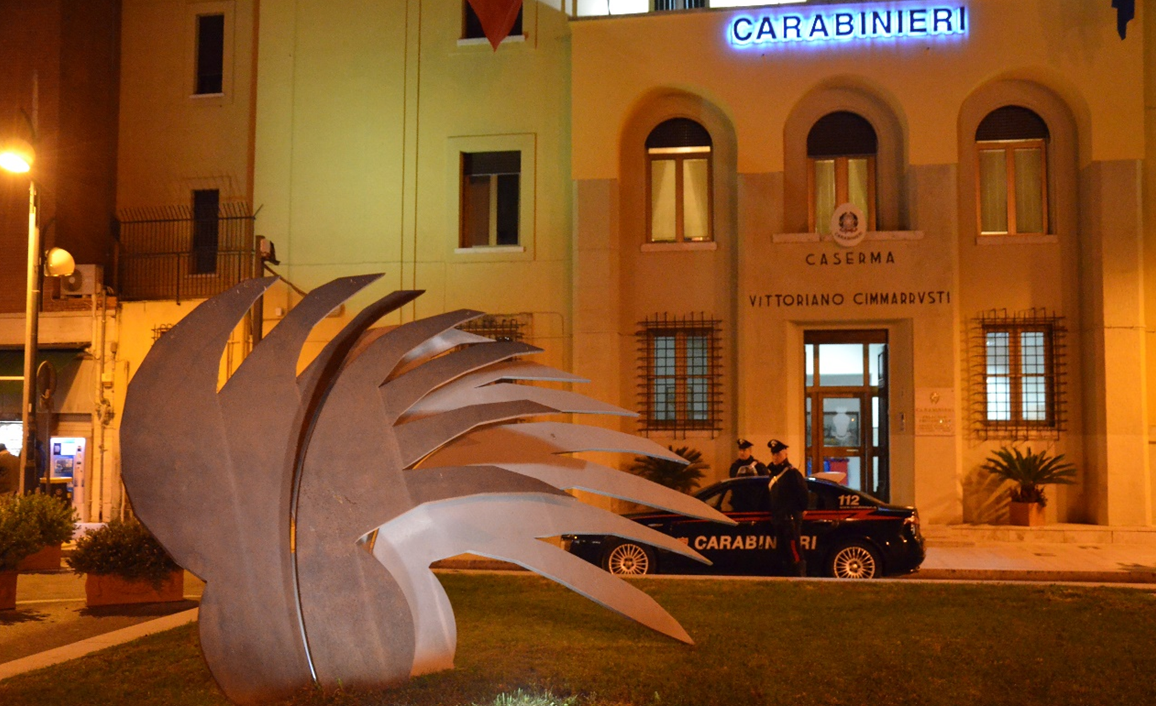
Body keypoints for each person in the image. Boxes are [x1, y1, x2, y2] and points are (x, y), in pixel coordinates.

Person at [767, 439, 808, 577]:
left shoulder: (791, 473)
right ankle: (787, 576)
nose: (775, 457)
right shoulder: (773, 473)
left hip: (790, 519)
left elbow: (803, 494)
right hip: (778, 518)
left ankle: (800, 576)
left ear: (785, 454)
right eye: (773, 454)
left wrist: (800, 511)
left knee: (794, 549)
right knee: (783, 550)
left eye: (778, 454)